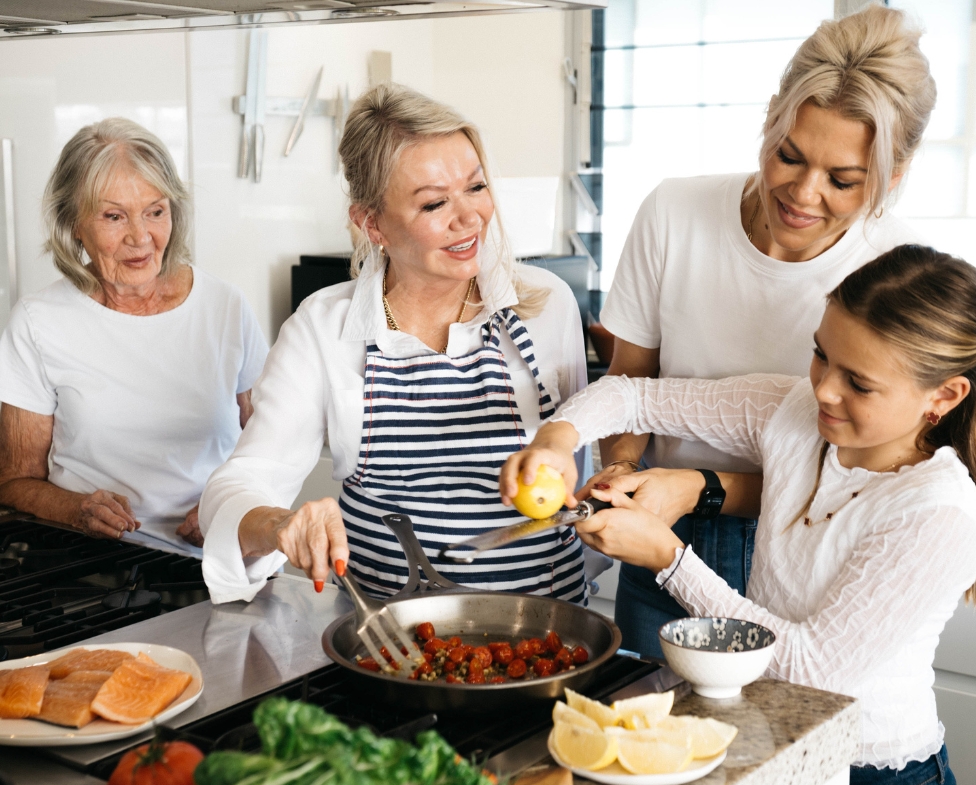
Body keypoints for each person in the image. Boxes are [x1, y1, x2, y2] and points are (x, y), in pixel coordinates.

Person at [502, 245, 976, 785]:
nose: (825, 390)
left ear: (944, 395)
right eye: (820, 355)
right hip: (775, 760)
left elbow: (812, 670)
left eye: (858, 381)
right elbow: (634, 397)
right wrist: (556, 442)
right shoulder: (797, 414)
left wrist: (668, 556)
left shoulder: (937, 511)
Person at [593, 5, 936, 656]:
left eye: (842, 180)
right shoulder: (674, 212)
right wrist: (623, 474)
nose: (804, 195)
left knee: (770, 752)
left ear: (893, 176)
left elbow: (855, 475)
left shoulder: (893, 273)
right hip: (656, 531)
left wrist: (697, 489)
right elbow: (630, 381)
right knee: (636, 742)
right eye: (789, 155)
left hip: (799, 554)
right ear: (772, 115)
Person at [199, 84, 588, 604]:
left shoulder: (548, 305)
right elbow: (238, 485)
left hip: (548, 633)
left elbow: (579, 468)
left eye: (475, 187)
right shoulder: (322, 328)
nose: (469, 217)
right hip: (387, 643)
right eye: (434, 203)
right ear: (371, 223)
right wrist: (282, 524)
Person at [0, 118, 267, 554]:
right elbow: (13, 482)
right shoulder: (37, 322)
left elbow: (272, 447)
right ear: (74, 224)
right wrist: (76, 509)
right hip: (94, 569)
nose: (140, 237)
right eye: (113, 216)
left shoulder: (225, 307)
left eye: (155, 211)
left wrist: (233, 505)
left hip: (221, 560)